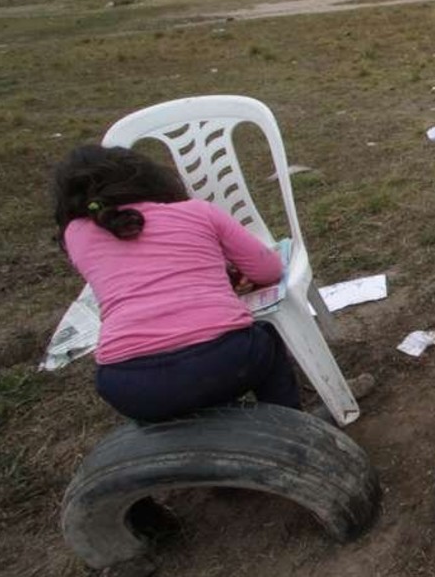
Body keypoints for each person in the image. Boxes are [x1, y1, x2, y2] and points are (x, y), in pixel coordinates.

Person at [53, 145, 300, 422]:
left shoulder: (76, 234)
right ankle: (293, 426)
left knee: (170, 395)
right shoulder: (198, 211)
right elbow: (268, 270)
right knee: (265, 339)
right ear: (150, 177)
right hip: (225, 359)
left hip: (126, 383)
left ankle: (174, 446)